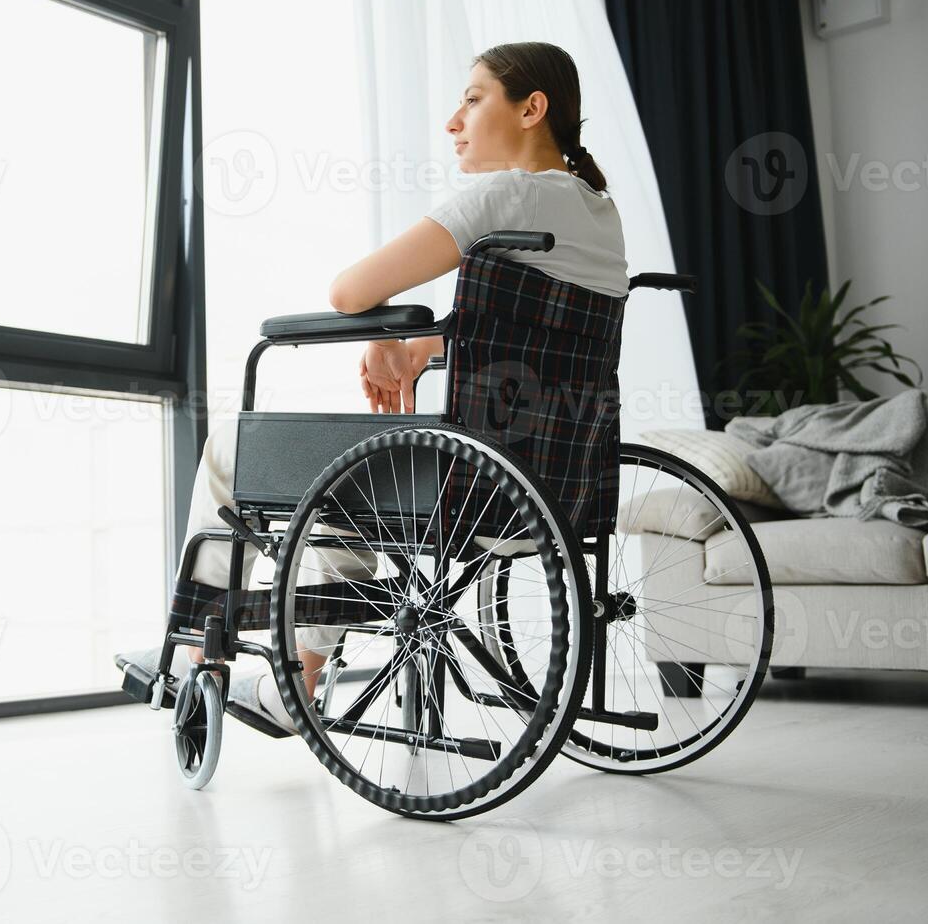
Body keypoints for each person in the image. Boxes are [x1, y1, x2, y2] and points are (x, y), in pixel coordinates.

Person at [121, 41, 629, 734]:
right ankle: (293, 673)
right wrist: (416, 349)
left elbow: (348, 289)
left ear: (531, 108)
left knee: (240, 451)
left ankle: (200, 656)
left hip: (468, 490)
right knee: (352, 464)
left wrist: (381, 333)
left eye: (473, 99)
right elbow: (530, 335)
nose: (453, 121)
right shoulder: (598, 214)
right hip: (553, 490)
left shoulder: (503, 196)